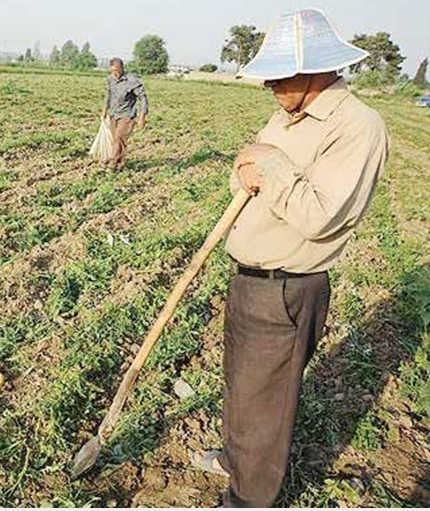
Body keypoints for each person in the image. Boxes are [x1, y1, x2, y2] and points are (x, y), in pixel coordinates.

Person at [189, 9, 390, 507]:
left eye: (280, 75)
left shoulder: (357, 128)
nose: (269, 86)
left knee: (266, 403)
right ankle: (237, 459)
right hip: (249, 279)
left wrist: (272, 164)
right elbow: (247, 173)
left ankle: (249, 499)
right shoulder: (285, 116)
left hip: (286, 287)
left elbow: (321, 215)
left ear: (317, 68)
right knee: (242, 387)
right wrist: (247, 170)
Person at [101, 58, 148, 169]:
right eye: (112, 71)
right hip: (113, 114)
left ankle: (112, 164)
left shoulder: (132, 81)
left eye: (117, 70)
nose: (115, 73)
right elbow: (108, 96)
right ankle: (120, 164)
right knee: (117, 141)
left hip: (127, 115)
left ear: (122, 68)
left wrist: (142, 117)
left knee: (119, 138)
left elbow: (143, 98)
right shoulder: (109, 79)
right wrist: (104, 111)